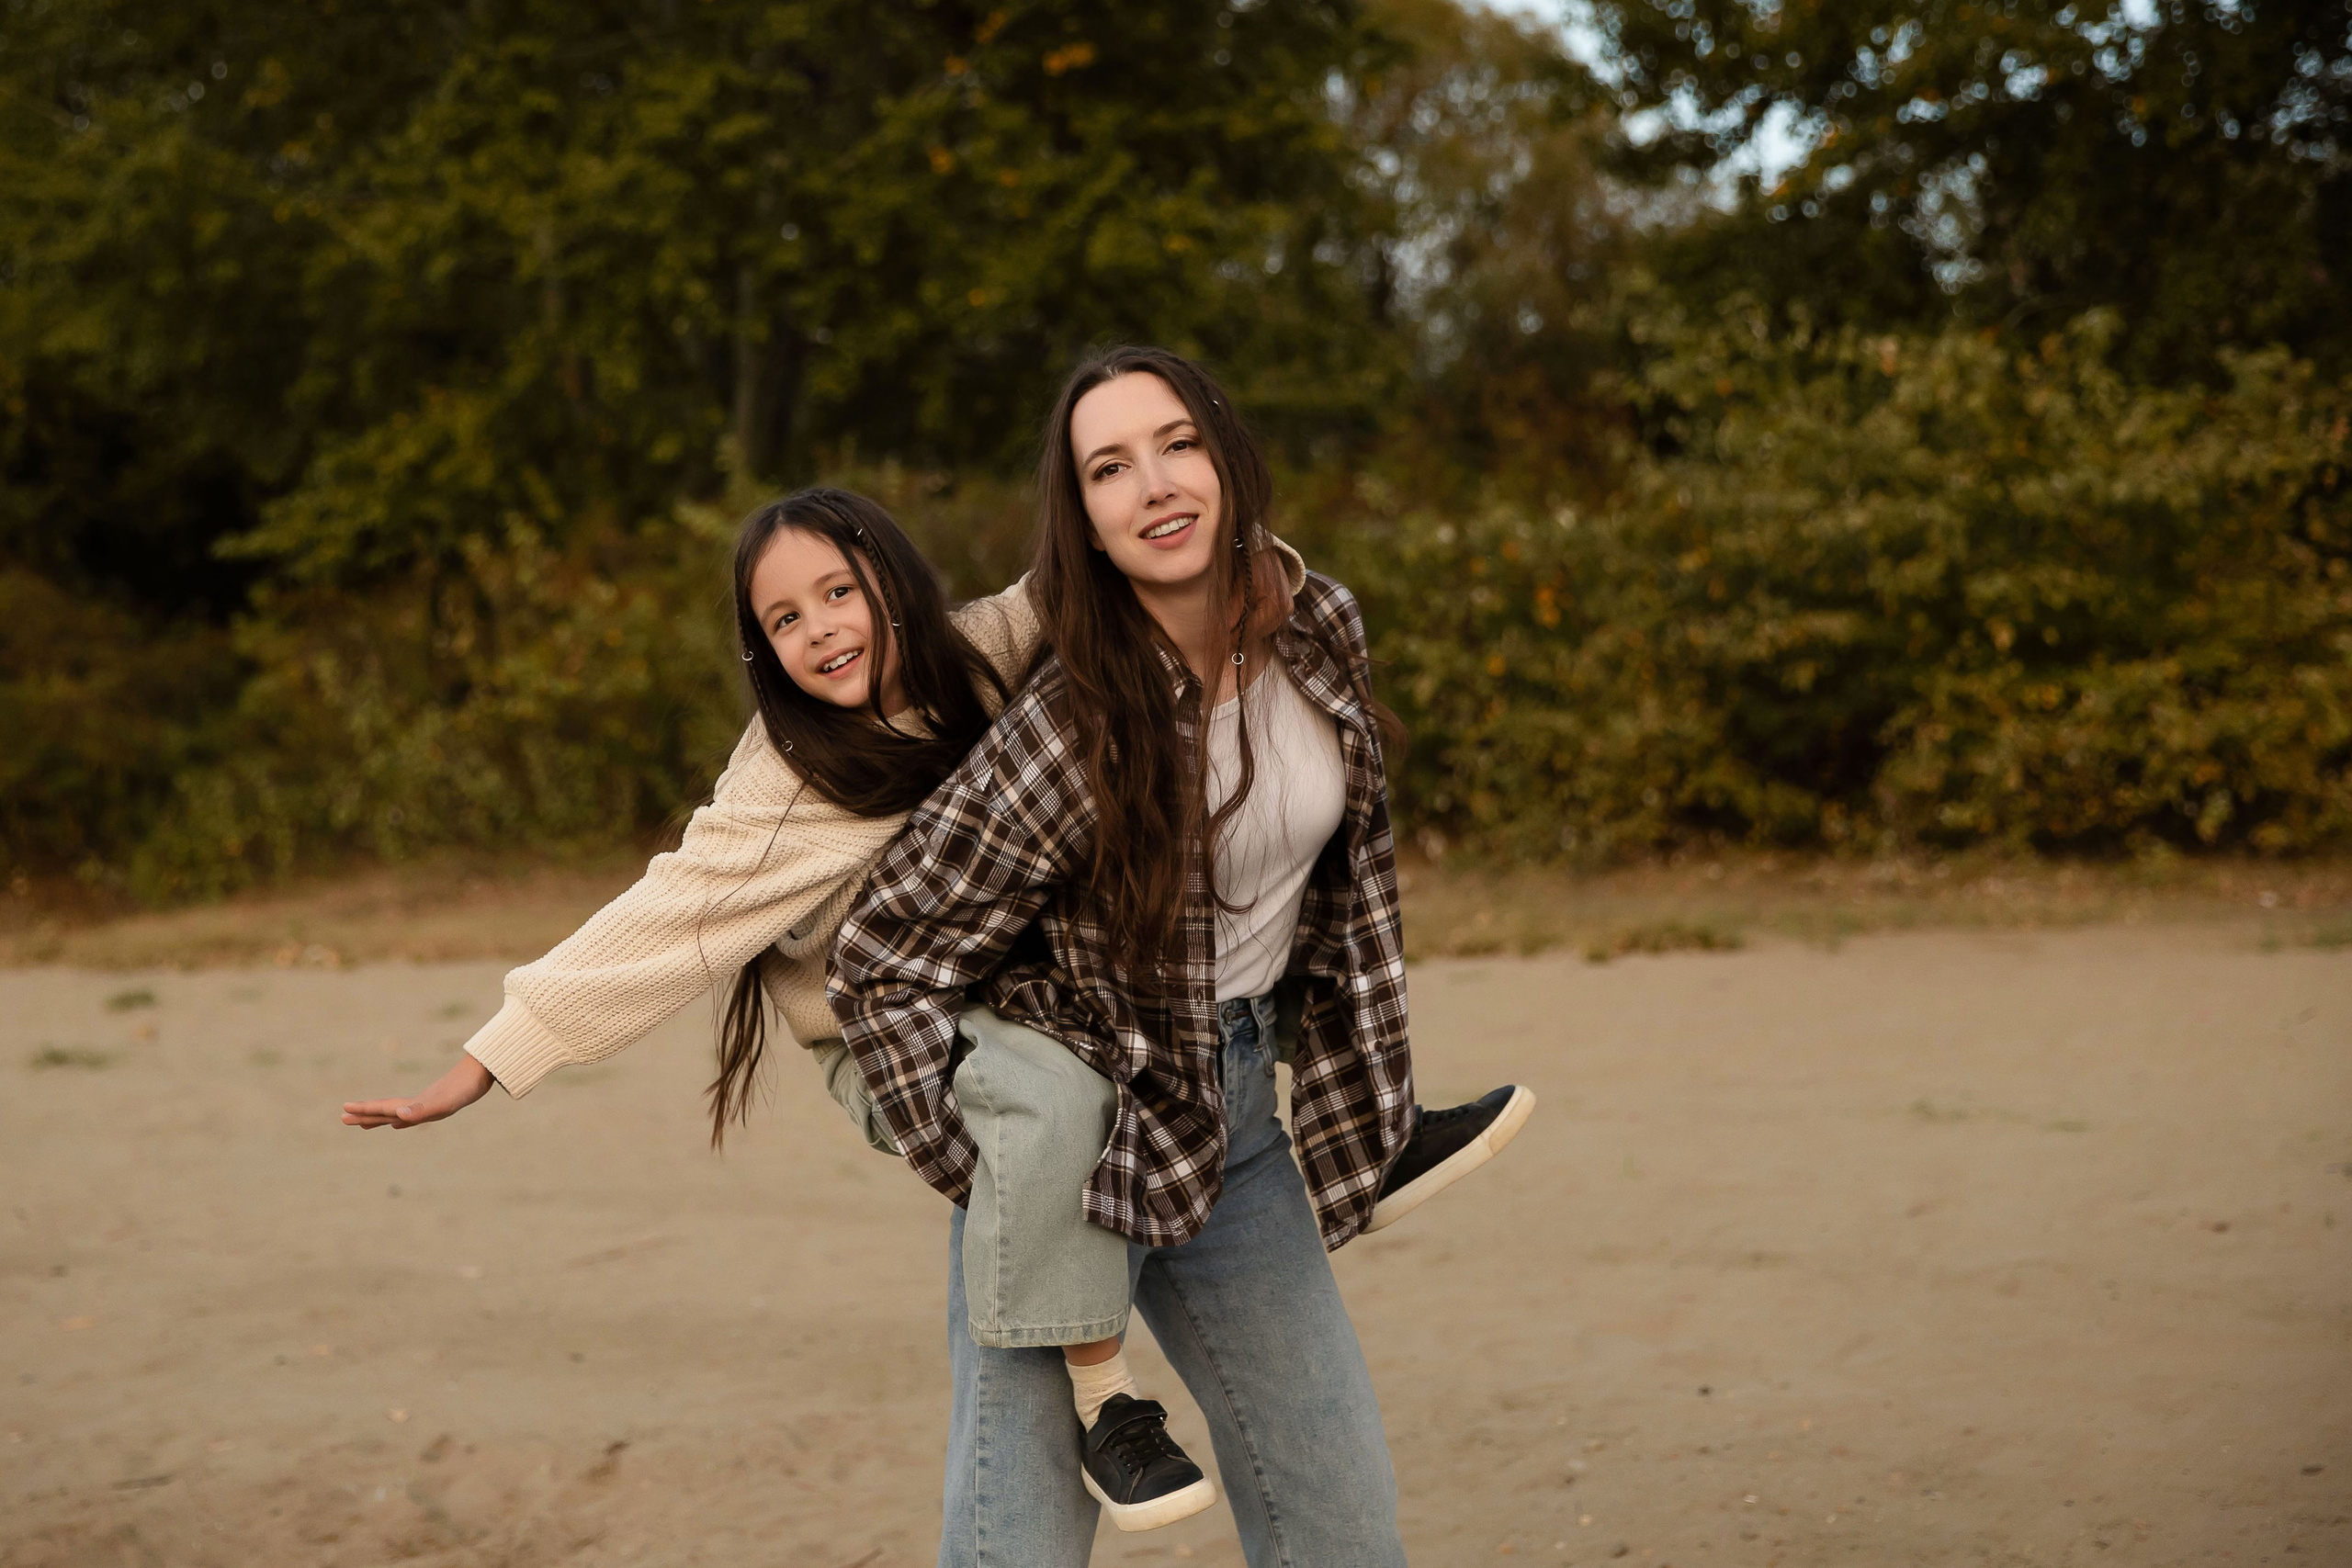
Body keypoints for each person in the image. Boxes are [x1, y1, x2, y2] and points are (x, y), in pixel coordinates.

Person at [338, 485, 1327, 1510]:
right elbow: (665, 916)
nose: (818, 630)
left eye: (837, 593)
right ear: (763, 650)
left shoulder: (978, 652)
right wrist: (488, 1059)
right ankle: (1106, 1402)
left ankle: (1366, 1123)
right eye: (784, 619)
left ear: (889, 584)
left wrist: (1242, 559)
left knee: (1226, 895)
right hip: (893, 1038)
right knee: (1056, 1096)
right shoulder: (785, 780)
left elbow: (1083, 579)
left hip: (1032, 988)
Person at [831, 345, 1536, 1564]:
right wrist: (985, 1164)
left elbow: (1351, 893)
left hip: (1237, 1123)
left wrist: (1367, 1104)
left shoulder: (1320, 626)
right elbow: (882, 955)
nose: (1154, 484)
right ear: (1084, 520)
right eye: (1110, 468)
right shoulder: (1075, 723)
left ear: (1225, 457)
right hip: (1073, 1136)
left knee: (1342, 1520)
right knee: (1018, 1545)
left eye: (1176, 444)